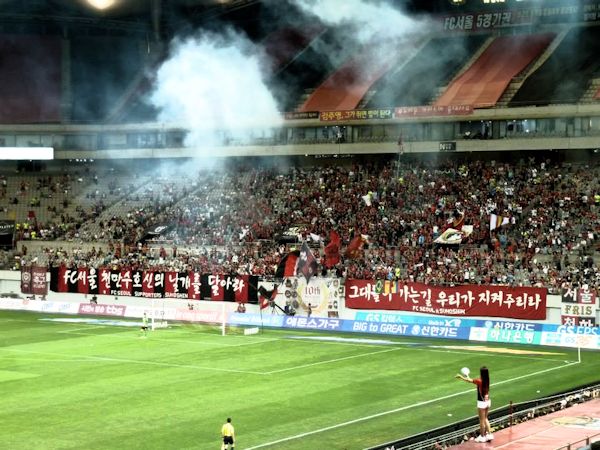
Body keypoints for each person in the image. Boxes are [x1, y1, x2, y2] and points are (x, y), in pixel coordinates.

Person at [456, 366, 492, 442]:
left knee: (481, 420)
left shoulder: (479, 381)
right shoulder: (487, 380)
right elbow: (470, 380)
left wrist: (461, 377)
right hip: (488, 401)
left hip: (481, 403)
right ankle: (489, 434)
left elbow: (469, 380)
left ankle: (482, 437)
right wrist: (467, 376)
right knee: (485, 418)